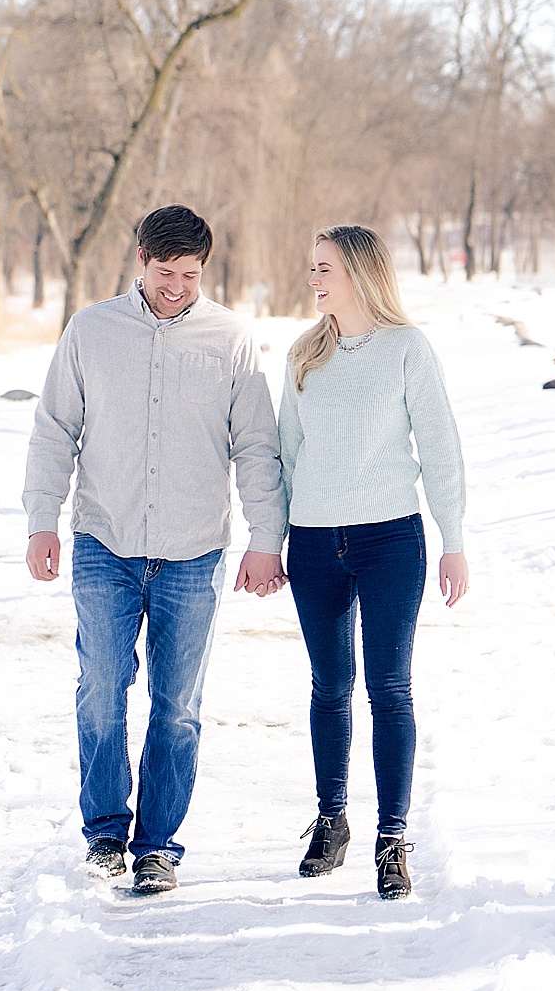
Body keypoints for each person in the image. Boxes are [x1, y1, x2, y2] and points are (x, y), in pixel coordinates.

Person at [25, 205, 288, 896]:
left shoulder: (230, 339)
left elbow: (256, 446)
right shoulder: (91, 331)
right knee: (101, 692)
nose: (176, 287)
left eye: (191, 275)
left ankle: (158, 846)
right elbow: (55, 429)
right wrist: (40, 520)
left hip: (194, 552)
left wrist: (267, 539)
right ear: (140, 257)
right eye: (165, 272)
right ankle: (106, 836)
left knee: (177, 706)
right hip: (102, 543)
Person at [277, 225, 469, 901]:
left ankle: (392, 838)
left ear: (359, 272)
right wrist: (273, 541)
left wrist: (454, 538)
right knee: (329, 685)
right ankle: (332, 820)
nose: (314, 278)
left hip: (392, 540)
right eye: (312, 267)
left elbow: (440, 446)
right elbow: (285, 457)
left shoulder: (408, 350)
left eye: (324, 266)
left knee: (389, 687)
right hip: (314, 542)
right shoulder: (305, 354)